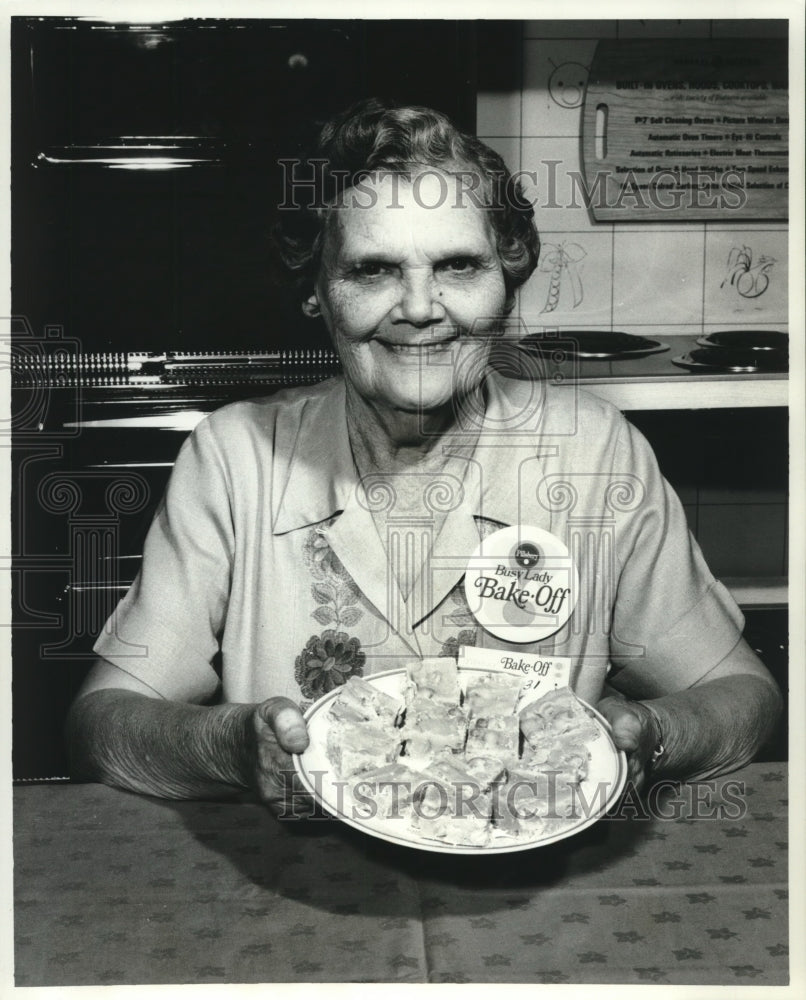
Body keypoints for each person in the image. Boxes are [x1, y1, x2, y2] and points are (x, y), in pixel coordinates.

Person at [67, 99, 782, 811]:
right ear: (317, 291)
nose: (418, 307)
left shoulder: (596, 455)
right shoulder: (235, 459)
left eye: (459, 266)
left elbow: (744, 696)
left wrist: (649, 733)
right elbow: (100, 724)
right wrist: (229, 747)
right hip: (300, 886)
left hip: (530, 889)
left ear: (506, 280)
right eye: (373, 270)